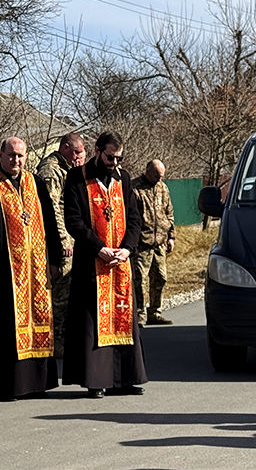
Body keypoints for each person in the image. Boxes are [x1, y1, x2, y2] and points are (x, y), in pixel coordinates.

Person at [0, 137, 62, 400]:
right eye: (11, 155)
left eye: (21, 156)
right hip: (5, 270)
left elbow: (50, 222)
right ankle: (9, 386)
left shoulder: (35, 183)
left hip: (36, 270)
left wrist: (55, 259)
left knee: (40, 318)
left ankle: (38, 382)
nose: (16, 161)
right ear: (0, 154)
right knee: (7, 326)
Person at [62, 131, 148, 398]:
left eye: (119, 158)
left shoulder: (123, 179)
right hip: (92, 261)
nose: (115, 163)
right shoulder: (77, 178)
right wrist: (99, 249)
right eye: (110, 157)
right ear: (98, 151)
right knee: (92, 321)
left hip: (120, 262)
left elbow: (134, 219)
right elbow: (73, 221)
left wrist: (127, 249)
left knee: (123, 317)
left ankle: (125, 378)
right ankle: (96, 379)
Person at [33, 131, 85, 356]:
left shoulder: (67, 169)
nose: (78, 157)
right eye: (75, 152)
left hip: (71, 238)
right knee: (60, 293)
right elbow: (52, 208)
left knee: (69, 290)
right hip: (60, 242)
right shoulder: (51, 171)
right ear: (64, 148)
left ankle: (63, 337)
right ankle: (55, 341)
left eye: (80, 153)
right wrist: (63, 239)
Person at [133, 159, 176, 326]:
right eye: (157, 176)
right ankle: (140, 315)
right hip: (142, 243)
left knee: (160, 277)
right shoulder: (135, 188)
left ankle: (155, 312)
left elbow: (169, 213)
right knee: (140, 281)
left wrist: (171, 236)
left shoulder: (163, 188)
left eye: (162, 176)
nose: (160, 179)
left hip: (160, 242)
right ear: (148, 172)